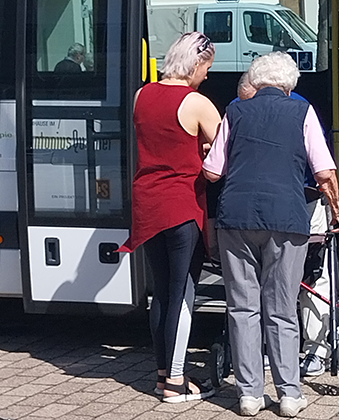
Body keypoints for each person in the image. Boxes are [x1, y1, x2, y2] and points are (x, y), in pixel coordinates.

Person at [203, 51, 339, 417]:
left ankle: (249, 395)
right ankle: (288, 394)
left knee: (241, 307)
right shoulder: (303, 112)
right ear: (289, 83)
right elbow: (324, 172)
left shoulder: (234, 111)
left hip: (236, 217)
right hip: (286, 219)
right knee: (282, 308)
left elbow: (213, 173)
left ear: (256, 79)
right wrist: (336, 209)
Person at [117, 32, 220, 403]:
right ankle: (175, 382)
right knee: (183, 293)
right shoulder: (196, 103)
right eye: (207, 67)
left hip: (147, 204)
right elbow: (223, 155)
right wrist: (205, 147)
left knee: (161, 292)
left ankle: (162, 374)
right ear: (195, 63)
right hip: (181, 205)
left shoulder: (141, 95)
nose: (207, 75)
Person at [237, 69, 339, 378]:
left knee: (311, 274)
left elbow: (323, 170)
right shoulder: (243, 105)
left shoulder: (299, 109)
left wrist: (335, 207)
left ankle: (315, 349)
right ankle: (290, 350)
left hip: (303, 201)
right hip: (276, 205)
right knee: (290, 277)